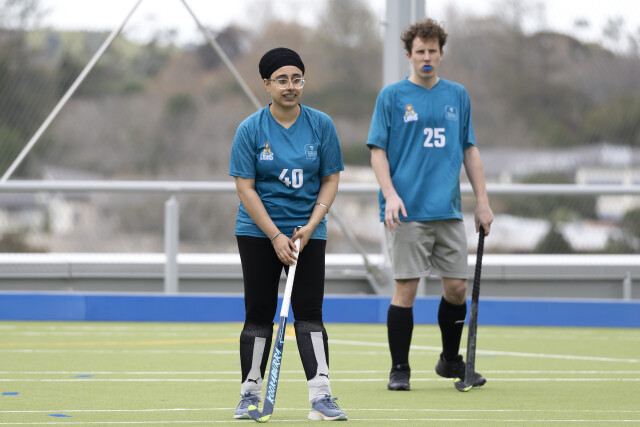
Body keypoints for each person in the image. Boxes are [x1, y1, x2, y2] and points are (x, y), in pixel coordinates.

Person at [366, 19, 494, 391]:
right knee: (406, 288)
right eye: (420, 51)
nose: (426, 57)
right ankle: (400, 369)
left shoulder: (457, 95)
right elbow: (377, 152)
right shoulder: (391, 96)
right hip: (406, 211)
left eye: (432, 51)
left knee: (456, 289)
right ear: (409, 55)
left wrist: (482, 202)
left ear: (441, 54)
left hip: (448, 210)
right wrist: (390, 194)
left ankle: (450, 360)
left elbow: (469, 150)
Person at [228, 47, 347, 421]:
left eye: (297, 79)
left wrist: (311, 225)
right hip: (258, 232)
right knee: (259, 313)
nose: (290, 86)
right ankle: (249, 395)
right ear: (267, 84)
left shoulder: (321, 125)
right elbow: (245, 189)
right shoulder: (250, 129)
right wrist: (275, 236)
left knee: (310, 312)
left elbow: (330, 179)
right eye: (282, 80)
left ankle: (322, 397)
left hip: (307, 233)